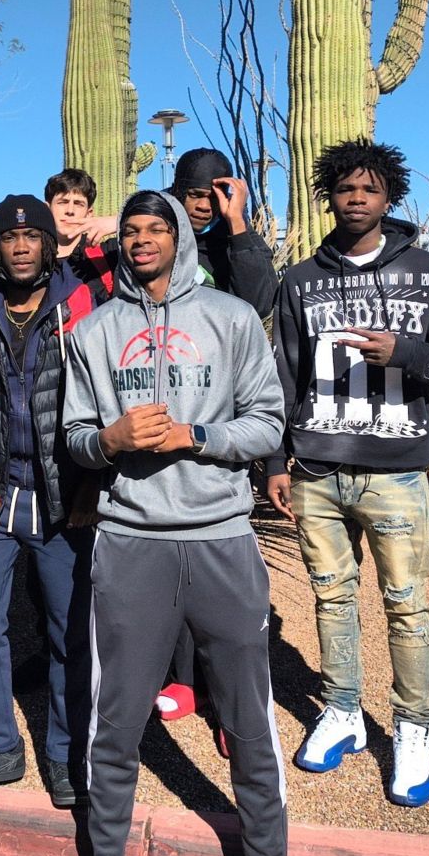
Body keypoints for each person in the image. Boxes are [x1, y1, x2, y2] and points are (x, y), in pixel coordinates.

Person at [62, 190, 289, 856]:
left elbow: (268, 424)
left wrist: (198, 436)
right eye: (131, 230)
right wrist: (111, 440)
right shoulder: (94, 331)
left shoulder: (231, 318)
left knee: (249, 723)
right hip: (131, 542)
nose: (142, 240)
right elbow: (74, 437)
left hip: (222, 538)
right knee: (115, 720)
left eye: (156, 228)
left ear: (179, 237)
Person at [265, 140, 429, 810]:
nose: (357, 198)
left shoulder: (426, 270)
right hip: (317, 469)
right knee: (331, 599)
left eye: (370, 189)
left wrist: (405, 352)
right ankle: (343, 710)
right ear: (329, 195)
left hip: (396, 471)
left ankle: (413, 730)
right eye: (346, 188)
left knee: (406, 607)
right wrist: (275, 460)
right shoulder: (301, 280)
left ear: (389, 197)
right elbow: (284, 375)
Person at [0, 194, 99, 808]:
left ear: (50, 245)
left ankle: (64, 751)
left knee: (69, 630)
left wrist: (91, 481)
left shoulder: (85, 307)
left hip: (64, 495)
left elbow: (107, 394)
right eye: (9, 238)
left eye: (32, 237)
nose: (21, 246)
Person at [159, 148, 280, 723]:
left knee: (222, 571)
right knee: (170, 562)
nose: (204, 205)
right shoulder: (161, 243)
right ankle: (184, 679)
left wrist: (239, 225)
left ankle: (230, 698)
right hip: (166, 411)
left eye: (215, 194)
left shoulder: (233, 247)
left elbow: (259, 301)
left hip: (222, 421)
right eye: (194, 194)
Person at [168, 147, 276, 313]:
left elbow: (259, 306)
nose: (204, 206)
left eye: (214, 198)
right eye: (195, 195)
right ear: (177, 192)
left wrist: (236, 223)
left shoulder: (243, 238)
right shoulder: (155, 232)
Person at [45, 167, 120, 297]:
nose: (70, 211)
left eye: (78, 204)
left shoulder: (106, 255)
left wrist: (118, 221)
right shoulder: (32, 259)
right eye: (63, 202)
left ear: (89, 213)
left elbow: (157, 223)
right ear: (47, 209)